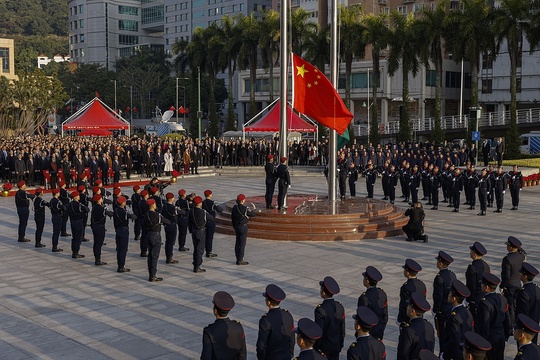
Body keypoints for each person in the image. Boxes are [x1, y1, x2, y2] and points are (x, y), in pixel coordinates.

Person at [201, 291, 246, 360]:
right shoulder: (238, 327)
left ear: (215, 311)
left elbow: (206, 357)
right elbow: (242, 353)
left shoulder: (209, 331)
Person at [476, 273, 510, 360]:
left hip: (490, 338)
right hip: (500, 335)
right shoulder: (502, 299)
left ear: (487, 287)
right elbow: (507, 319)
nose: (481, 286)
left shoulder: (484, 303)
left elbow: (484, 325)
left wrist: (483, 344)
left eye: (482, 284)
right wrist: (506, 335)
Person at [256, 284, 295, 360]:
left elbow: (261, 345)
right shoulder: (288, 315)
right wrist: (289, 354)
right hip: (286, 356)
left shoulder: (265, 320)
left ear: (268, 302)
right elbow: (292, 339)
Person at [314, 276, 345, 360]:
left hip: (324, 349)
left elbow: (319, 332)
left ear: (323, 293)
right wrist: (340, 345)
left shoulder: (320, 310)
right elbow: (342, 329)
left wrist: (315, 348)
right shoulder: (339, 307)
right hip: (336, 346)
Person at [396, 293, 435, 359]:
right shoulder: (429, 325)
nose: (407, 308)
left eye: (409, 306)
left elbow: (403, 354)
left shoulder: (408, 331)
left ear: (412, 311)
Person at [442, 280, 474, 360]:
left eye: (450, 294)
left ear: (454, 298)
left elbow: (454, 341)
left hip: (457, 354)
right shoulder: (467, 311)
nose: (448, 295)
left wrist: (445, 356)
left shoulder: (454, 317)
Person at [433, 251, 457, 353]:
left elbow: (438, 296)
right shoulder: (452, 274)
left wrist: (435, 310)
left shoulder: (439, 278)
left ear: (441, 264)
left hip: (442, 310)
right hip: (451, 307)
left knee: (442, 335)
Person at [501, 236, 526, 330]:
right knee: (516, 305)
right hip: (518, 283)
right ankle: (516, 321)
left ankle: (511, 325)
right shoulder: (521, 255)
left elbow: (506, 275)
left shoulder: (507, 259)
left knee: (510, 306)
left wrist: (502, 286)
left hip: (510, 285)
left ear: (511, 247)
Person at [357, 266, 388, 340]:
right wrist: (381, 328)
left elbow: (362, 317)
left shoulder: (364, 298)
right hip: (379, 331)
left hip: (368, 333)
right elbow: (385, 315)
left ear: (367, 281)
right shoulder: (382, 293)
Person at [145, 198, 170, 281]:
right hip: (156, 235)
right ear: (153, 205)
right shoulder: (157, 215)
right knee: (154, 256)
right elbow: (167, 221)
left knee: (150, 255)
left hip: (148, 234)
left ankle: (150, 273)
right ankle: (153, 275)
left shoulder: (146, 215)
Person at [465, 241, 491, 320]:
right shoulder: (486, 265)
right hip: (485, 297)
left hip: (475, 300)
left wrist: (468, 300)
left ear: (474, 254)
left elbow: (471, 286)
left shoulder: (472, 268)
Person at [516, 263, 540, 345]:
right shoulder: (537, 288)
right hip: (535, 324)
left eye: (521, 273)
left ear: (525, 276)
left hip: (525, 329)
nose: (519, 274)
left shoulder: (523, 292)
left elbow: (523, 313)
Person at [398, 259, 427, 324]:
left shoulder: (406, 287)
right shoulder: (422, 284)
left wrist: (400, 319)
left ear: (407, 273)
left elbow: (404, 304)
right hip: (419, 315)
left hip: (408, 318)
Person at [188, 196, 212, 273]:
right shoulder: (203, 212)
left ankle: (195, 262)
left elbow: (189, 222)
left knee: (196, 248)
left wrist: (191, 230)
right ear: (200, 203)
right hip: (200, 231)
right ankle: (197, 266)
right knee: (200, 249)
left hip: (194, 231)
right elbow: (211, 218)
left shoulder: (191, 211)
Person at [231, 194, 255, 265]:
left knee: (237, 242)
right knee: (242, 243)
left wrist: (234, 226)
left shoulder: (234, 208)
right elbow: (253, 214)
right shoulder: (245, 209)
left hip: (236, 226)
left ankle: (237, 257)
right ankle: (240, 259)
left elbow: (232, 218)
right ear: (242, 200)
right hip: (243, 227)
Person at [113, 195, 135, 273]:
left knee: (119, 249)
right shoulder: (124, 212)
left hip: (117, 230)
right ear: (122, 203)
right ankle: (121, 266)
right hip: (124, 230)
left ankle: (119, 264)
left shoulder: (115, 210)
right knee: (123, 249)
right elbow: (133, 217)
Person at [90, 194, 112, 266]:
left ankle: (96, 258)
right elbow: (109, 213)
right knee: (99, 244)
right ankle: (98, 260)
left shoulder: (94, 207)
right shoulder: (101, 208)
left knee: (96, 243)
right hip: (100, 227)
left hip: (95, 226)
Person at [161, 192, 183, 264]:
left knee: (168, 242)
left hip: (166, 225)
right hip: (172, 224)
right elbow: (182, 212)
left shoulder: (164, 206)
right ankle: (169, 258)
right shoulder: (173, 208)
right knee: (171, 242)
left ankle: (168, 256)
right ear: (171, 199)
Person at [67, 190, 90, 259]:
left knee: (74, 237)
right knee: (78, 237)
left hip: (72, 221)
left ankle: (74, 251)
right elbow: (87, 209)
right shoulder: (79, 205)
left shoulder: (70, 204)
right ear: (76, 197)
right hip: (78, 221)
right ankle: (76, 252)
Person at [202, 189, 223, 258]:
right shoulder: (212, 203)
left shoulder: (203, 202)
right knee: (210, 237)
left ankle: (206, 249)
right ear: (210, 195)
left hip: (205, 221)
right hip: (211, 221)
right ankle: (209, 251)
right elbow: (220, 209)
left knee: (206, 236)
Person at [49, 188, 64, 252]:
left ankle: (54, 246)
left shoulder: (51, 200)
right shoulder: (58, 201)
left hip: (53, 216)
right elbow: (62, 208)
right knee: (57, 232)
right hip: (58, 216)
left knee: (55, 232)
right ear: (57, 193)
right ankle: (55, 247)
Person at [138, 190, 150, 257]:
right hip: (146, 220)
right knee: (145, 236)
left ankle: (143, 250)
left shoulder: (140, 202)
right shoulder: (146, 203)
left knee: (143, 236)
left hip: (141, 219)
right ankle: (144, 250)